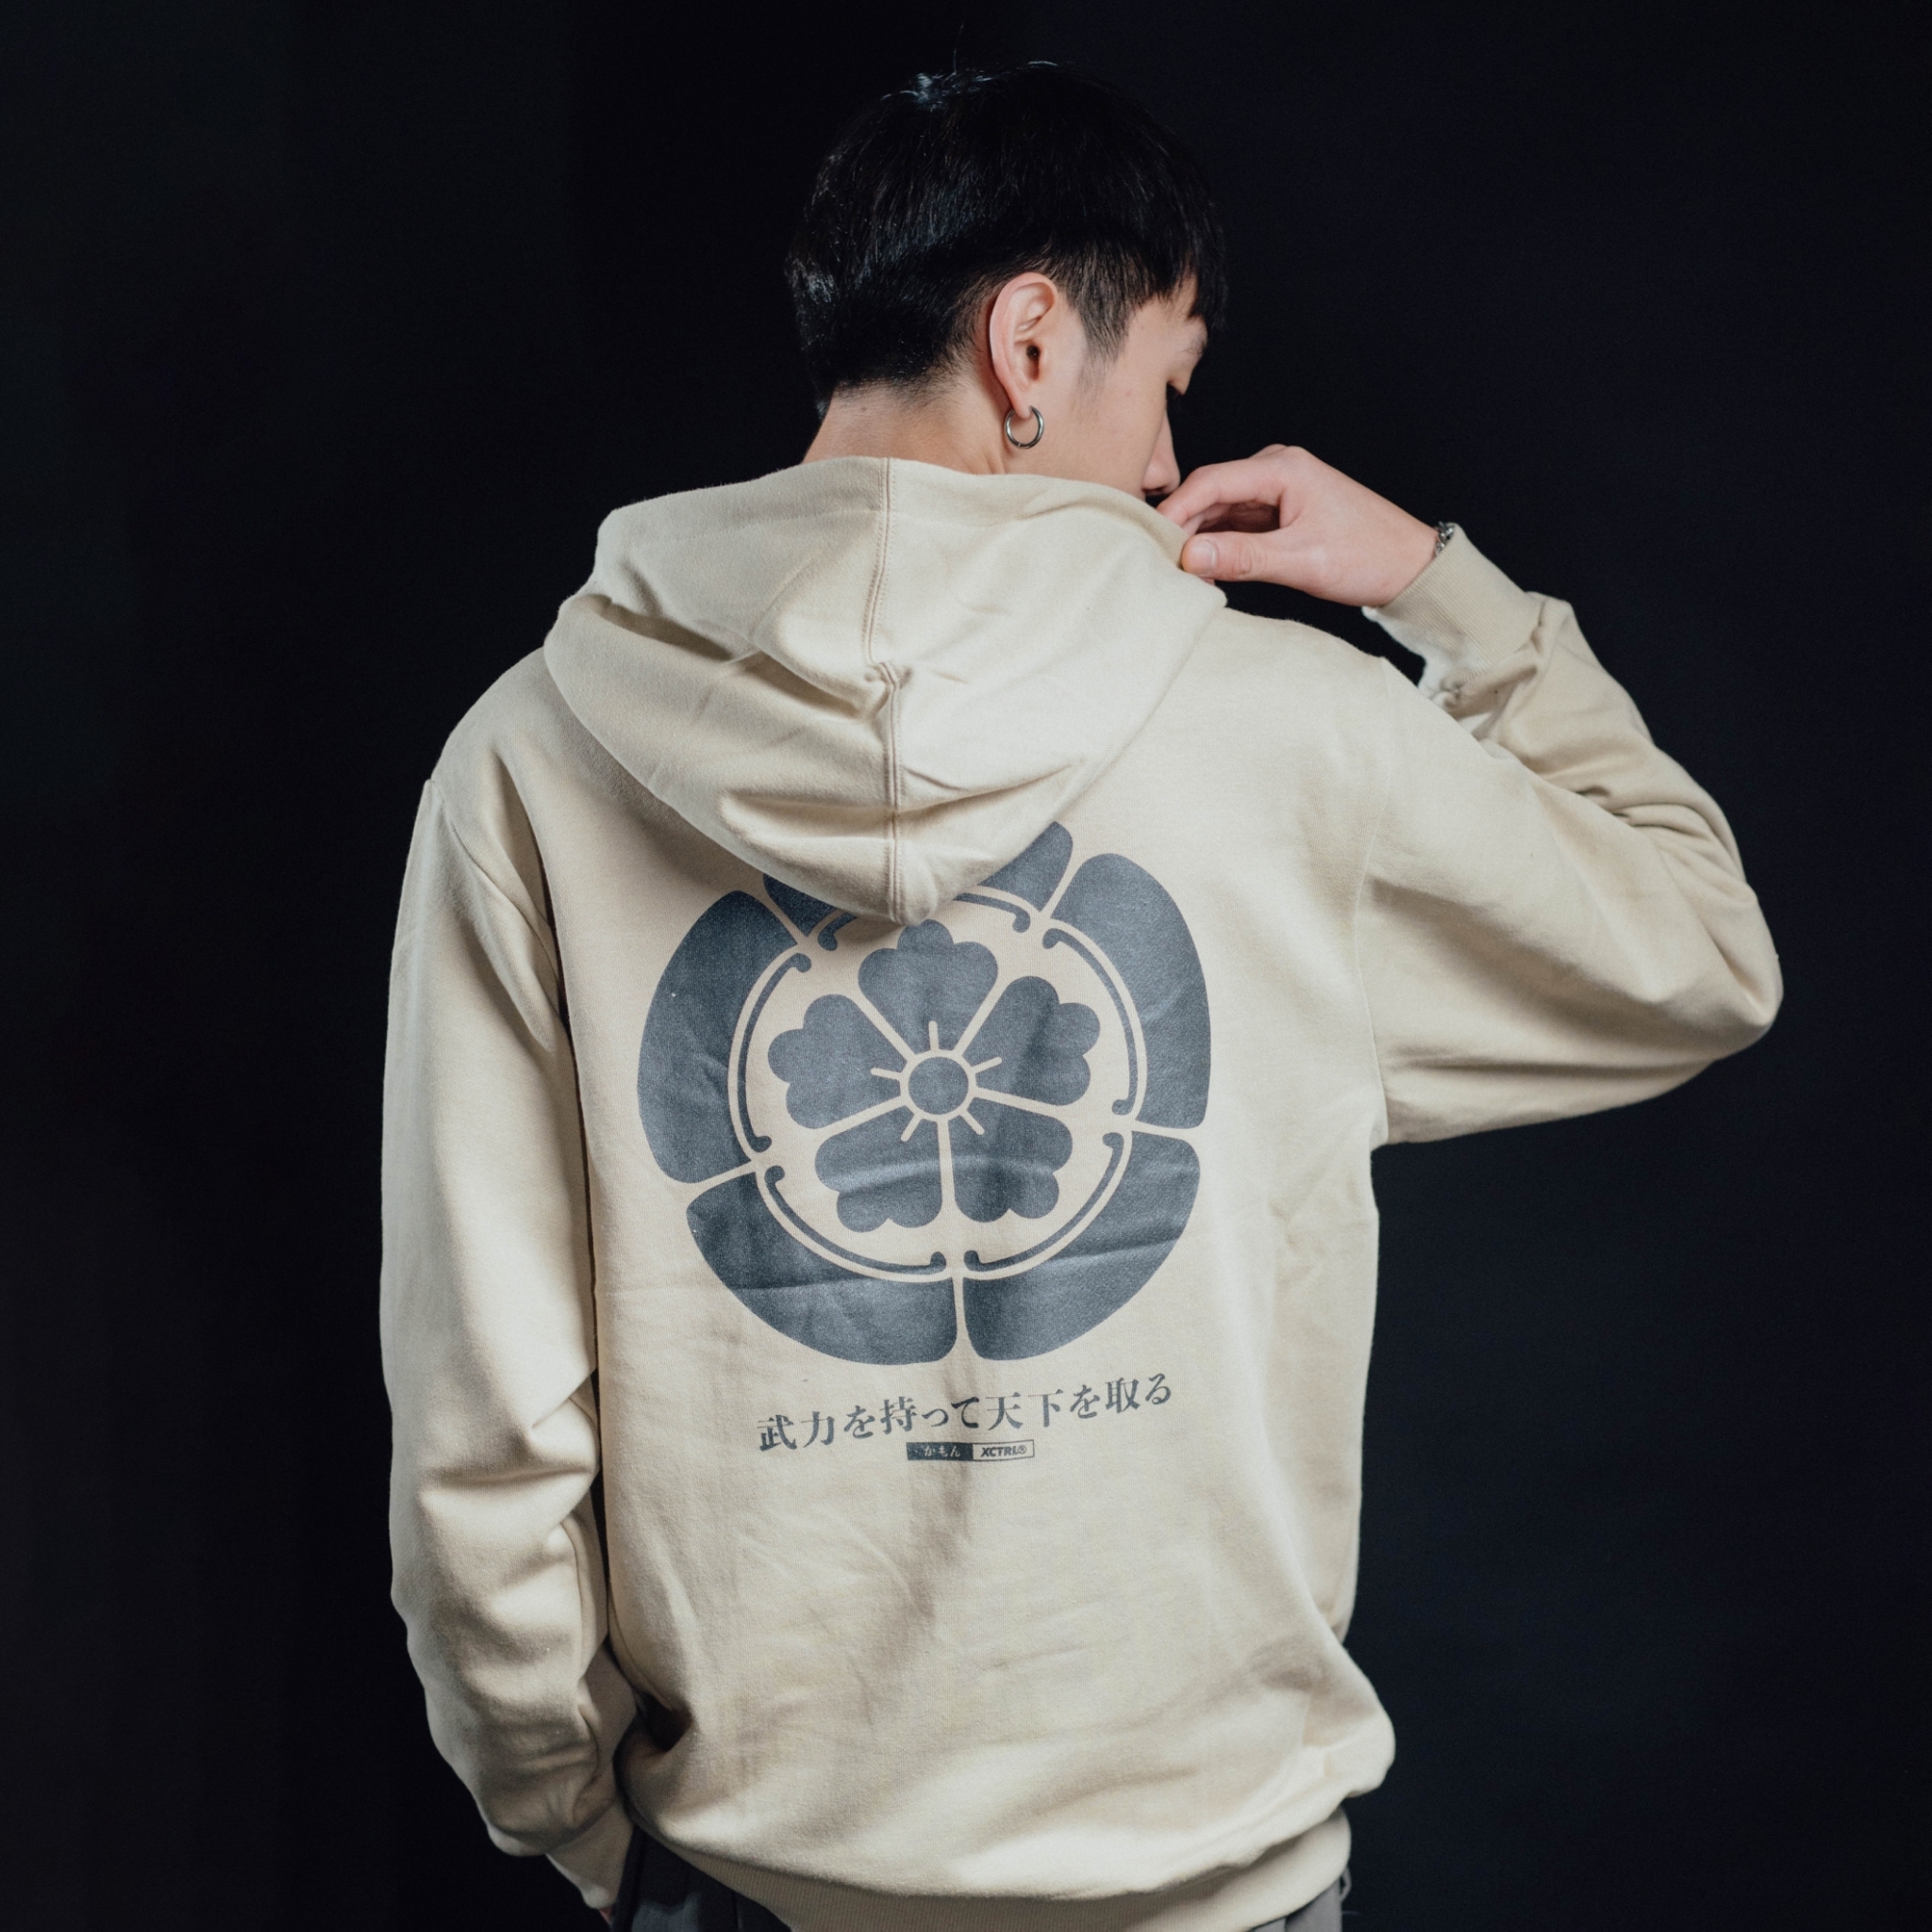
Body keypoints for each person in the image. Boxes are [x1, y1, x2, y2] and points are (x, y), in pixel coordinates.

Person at [380, 64, 1779, 1932]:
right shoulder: (1295, 734)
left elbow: (483, 1429)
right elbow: (1700, 945)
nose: (1162, 464)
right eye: (1168, 383)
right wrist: (1441, 593)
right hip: (1213, 1887)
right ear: (1031, 344)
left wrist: (580, 1824)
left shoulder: (529, 759)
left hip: (754, 1884)